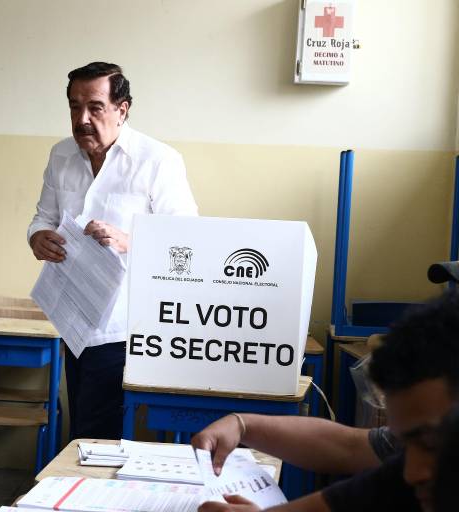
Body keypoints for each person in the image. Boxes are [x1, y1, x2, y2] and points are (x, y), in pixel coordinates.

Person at [27, 62, 198, 439]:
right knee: (83, 433)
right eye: (74, 107)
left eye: (95, 107)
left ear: (123, 110)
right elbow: (43, 218)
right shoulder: (61, 157)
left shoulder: (158, 160)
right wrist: (37, 237)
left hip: (127, 329)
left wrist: (130, 241)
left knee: (98, 436)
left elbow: (187, 241)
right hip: (72, 321)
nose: (82, 118)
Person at [196, 289, 459, 512]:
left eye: (429, 444)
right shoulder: (413, 472)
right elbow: (349, 447)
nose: (412, 473)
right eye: (405, 443)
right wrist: (242, 425)